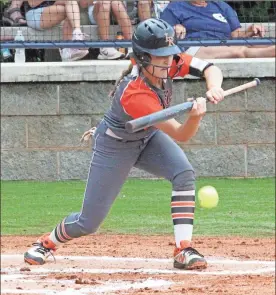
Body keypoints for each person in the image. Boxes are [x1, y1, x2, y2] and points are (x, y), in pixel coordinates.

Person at [23, 18, 225, 270]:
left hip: (147, 136)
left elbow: (210, 68)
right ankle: (46, 242)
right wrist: (196, 117)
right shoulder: (135, 93)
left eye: (169, 54)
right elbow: (182, 134)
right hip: (114, 145)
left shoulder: (169, 63)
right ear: (141, 58)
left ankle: (183, 249)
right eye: (159, 56)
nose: (167, 61)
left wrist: (214, 87)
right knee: (89, 223)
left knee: (183, 174)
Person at [161, 0, 275, 58]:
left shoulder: (221, 5)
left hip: (224, 42)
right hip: (194, 46)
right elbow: (163, 33)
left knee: (257, 43)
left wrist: (249, 30)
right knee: (238, 52)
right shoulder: (174, 7)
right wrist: (175, 27)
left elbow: (235, 35)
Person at [25, 0, 89, 62]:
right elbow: (32, 3)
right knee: (68, 10)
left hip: (52, 10)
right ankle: (66, 50)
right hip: (35, 14)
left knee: (71, 4)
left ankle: (76, 36)